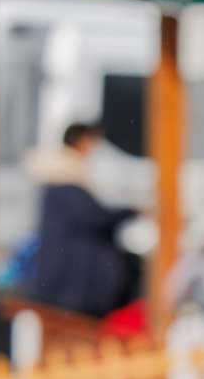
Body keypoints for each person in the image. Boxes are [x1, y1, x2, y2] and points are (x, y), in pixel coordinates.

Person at [25, 122, 138, 318]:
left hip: (63, 283)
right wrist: (130, 212)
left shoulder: (59, 179)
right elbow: (96, 218)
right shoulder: (67, 181)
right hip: (74, 285)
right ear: (83, 142)